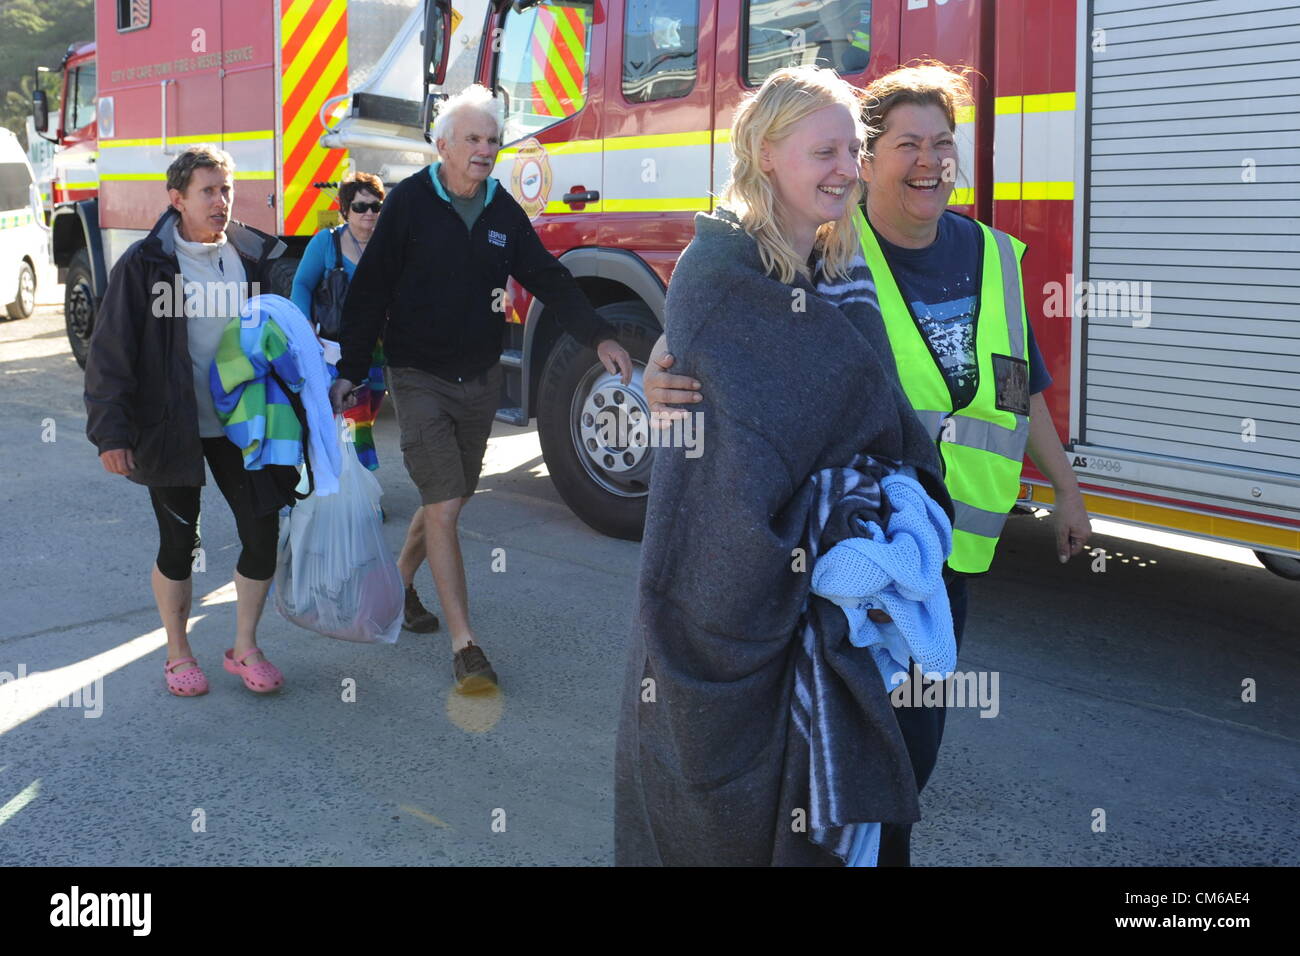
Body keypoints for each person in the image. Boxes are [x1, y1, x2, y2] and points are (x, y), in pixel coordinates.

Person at [644, 61, 1093, 862]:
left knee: (903, 761)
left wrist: (1066, 489)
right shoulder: (840, 255)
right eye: (901, 144)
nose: (927, 161)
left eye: (943, 144)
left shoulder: (975, 257)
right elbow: (730, 324)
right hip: (833, 569)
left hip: (934, 557)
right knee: (842, 772)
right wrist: (665, 359)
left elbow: (1020, 390)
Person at [615, 65, 956, 866]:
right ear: (767, 156)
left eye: (853, 150)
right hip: (732, 593)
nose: (846, 168)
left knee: (873, 801)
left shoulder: (843, 271)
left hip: (857, 593)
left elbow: (876, 419)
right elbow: (715, 471)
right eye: (823, 151)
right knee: (725, 811)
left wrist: (881, 507)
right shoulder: (721, 271)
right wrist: (795, 556)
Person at [331, 84, 633, 693]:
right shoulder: (411, 204)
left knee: (451, 497)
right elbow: (369, 292)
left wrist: (598, 335)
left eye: (493, 139)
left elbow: (547, 276)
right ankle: (465, 644)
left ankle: (396, 582)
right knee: (442, 503)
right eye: (472, 138)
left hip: (480, 378)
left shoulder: (500, 209)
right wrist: (352, 369)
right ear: (441, 145)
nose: (485, 149)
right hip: (417, 375)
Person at [85, 145, 290, 697]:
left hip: (239, 424)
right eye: (208, 191)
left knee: (262, 530)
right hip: (170, 423)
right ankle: (178, 653)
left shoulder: (252, 256)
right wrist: (111, 432)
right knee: (180, 542)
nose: (221, 201)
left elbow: (276, 334)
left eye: (226, 189)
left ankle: (244, 646)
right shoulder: (147, 264)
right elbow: (111, 352)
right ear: (176, 199)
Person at [291, 172, 441, 634]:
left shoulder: (388, 246)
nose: (369, 215)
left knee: (368, 414)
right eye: (360, 207)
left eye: (376, 206)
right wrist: (304, 339)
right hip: (335, 350)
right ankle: (356, 489)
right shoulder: (326, 244)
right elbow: (301, 286)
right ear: (343, 211)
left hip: (376, 350)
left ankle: (338, 481)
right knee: (351, 420)